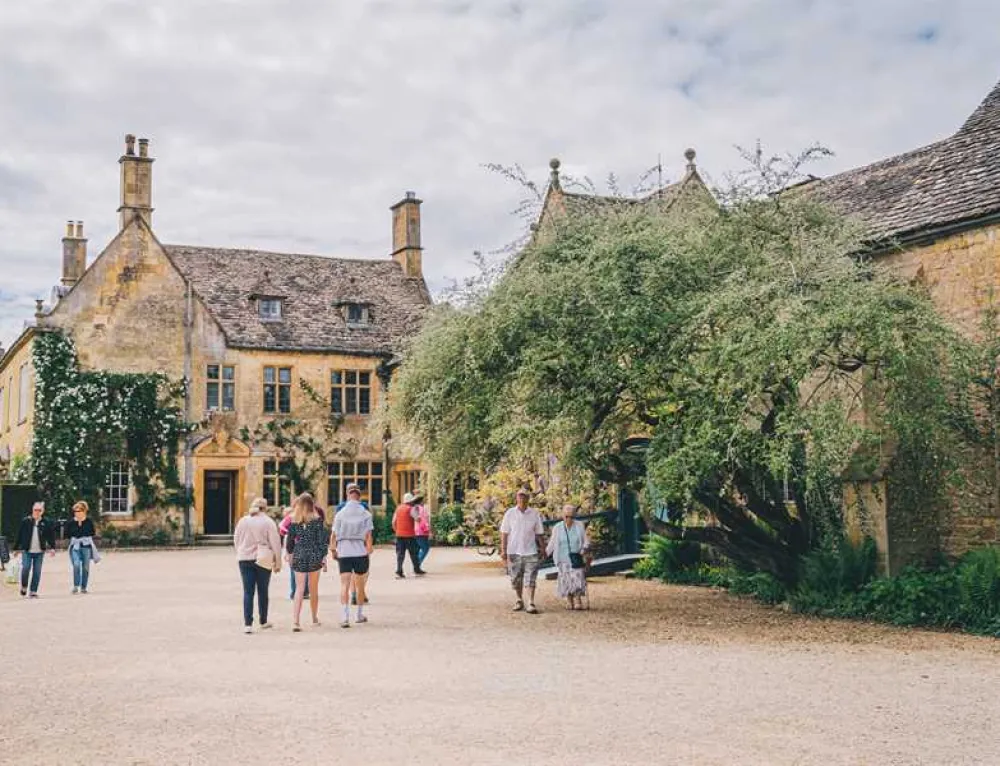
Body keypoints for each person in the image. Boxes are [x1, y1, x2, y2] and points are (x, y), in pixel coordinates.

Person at [233, 497, 283, 634]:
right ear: (265, 508)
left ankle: (247, 624)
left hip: (244, 558)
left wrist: (241, 552)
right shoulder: (268, 522)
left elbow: (236, 539)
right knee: (263, 590)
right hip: (263, 559)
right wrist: (278, 562)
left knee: (248, 592)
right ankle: (263, 620)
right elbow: (276, 544)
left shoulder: (243, 521)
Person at [330, 484, 374, 628]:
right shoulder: (365, 513)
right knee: (360, 585)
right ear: (359, 496)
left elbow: (334, 534)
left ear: (348, 496)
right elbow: (368, 534)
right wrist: (369, 548)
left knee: (344, 584)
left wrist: (333, 550)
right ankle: (359, 614)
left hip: (344, 551)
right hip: (360, 551)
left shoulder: (340, 514)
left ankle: (344, 616)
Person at [285, 492, 329, 632]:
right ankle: (314, 618)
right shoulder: (317, 520)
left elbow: (289, 542)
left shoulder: (293, 520)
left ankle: (295, 621)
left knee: (299, 589)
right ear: (311, 504)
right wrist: (324, 557)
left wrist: (290, 557)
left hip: (299, 554)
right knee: (314, 589)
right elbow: (322, 542)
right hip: (314, 554)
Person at [499, 489, 546, 614]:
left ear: (528, 499)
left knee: (531, 577)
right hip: (514, 550)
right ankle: (519, 599)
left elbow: (539, 533)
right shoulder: (510, 513)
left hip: (530, 550)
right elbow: (504, 532)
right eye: (520, 497)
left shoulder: (534, 514)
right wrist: (503, 550)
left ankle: (531, 602)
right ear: (516, 499)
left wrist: (543, 548)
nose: (522, 500)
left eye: (524, 497)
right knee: (516, 578)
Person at [545, 504, 590, 610]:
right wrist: (545, 553)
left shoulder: (579, 525)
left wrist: (583, 550)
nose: (569, 519)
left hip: (576, 557)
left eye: (571, 516)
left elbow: (586, 541)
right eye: (566, 516)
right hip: (562, 557)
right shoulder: (557, 527)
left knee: (578, 578)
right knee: (566, 579)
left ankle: (578, 599)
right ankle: (570, 601)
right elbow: (552, 543)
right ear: (562, 516)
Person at [279, 502, 326, 600]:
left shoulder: (293, 516)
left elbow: (282, 528)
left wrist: (288, 533)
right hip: (310, 546)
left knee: (295, 570)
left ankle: (295, 591)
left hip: (297, 546)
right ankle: (304, 591)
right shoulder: (315, 515)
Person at [14, 502, 56, 598]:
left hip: (39, 551)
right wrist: (16, 548)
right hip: (27, 551)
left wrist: (52, 548)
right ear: (32, 510)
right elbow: (19, 535)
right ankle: (24, 586)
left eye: (39, 510)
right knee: (25, 568)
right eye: (35, 510)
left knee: (37, 571)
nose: (37, 512)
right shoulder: (26, 521)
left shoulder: (46, 522)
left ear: (42, 511)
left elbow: (50, 536)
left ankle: (33, 591)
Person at [66, 501, 101, 594]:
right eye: (75, 511)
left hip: (86, 546)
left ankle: (83, 587)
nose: (77, 513)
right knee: (76, 565)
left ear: (84, 511)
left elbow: (91, 532)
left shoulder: (88, 521)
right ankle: (75, 586)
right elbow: (69, 534)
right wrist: (78, 526)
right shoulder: (72, 522)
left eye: (79, 511)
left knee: (85, 567)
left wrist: (82, 525)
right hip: (75, 546)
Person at [392, 492, 425, 578]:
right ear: (411, 501)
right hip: (409, 535)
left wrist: (397, 530)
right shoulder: (411, 509)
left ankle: (399, 570)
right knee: (414, 553)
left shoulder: (398, 508)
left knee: (400, 554)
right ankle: (417, 569)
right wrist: (419, 515)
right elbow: (417, 519)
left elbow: (393, 522)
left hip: (399, 535)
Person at [413, 492, 432, 569]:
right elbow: (423, 521)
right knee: (425, 548)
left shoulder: (414, 508)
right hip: (422, 531)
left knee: (419, 548)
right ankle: (417, 564)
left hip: (416, 531)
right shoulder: (421, 509)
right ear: (420, 501)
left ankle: (417, 565)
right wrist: (428, 530)